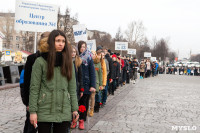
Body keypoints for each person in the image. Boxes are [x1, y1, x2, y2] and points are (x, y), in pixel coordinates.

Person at [29, 30, 78, 133]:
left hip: (64, 109)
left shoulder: (68, 62)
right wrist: (33, 111)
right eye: (57, 41)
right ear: (51, 42)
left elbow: (72, 88)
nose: (61, 44)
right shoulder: (40, 62)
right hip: (44, 109)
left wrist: (74, 109)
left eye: (63, 41)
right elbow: (34, 88)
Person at [21, 32, 50, 133]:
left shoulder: (54, 59)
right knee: (31, 126)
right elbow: (26, 82)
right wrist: (28, 102)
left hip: (47, 101)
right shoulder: (32, 58)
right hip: (34, 99)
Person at [78, 41, 96, 130]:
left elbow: (92, 73)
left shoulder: (89, 58)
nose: (82, 48)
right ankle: (74, 120)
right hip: (77, 84)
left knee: (83, 104)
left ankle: (81, 120)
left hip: (86, 84)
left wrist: (93, 85)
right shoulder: (75, 57)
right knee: (75, 104)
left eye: (84, 47)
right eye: (81, 47)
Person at [70, 45, 84, 129]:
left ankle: (75, 120)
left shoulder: (78, 62)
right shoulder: (66, 61)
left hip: (76, 87)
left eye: (74, 52)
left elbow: (80, 77)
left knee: (75, 105)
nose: (73, 53)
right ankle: (72, 120)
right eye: (71, 51)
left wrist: (81, 89)